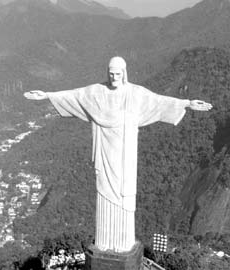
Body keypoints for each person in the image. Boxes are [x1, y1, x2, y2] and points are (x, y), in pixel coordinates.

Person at [24, 57, 212, 253]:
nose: (114, 77)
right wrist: (46, 95)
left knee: (124, 195)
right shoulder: (97, 92)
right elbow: (75, 95)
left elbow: (159, 101)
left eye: (118, 74)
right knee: (104, 193)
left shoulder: (135, 93)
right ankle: (104, 242)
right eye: (111, 74)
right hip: (105, 151)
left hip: (125, 154)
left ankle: (123, 244)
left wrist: (188, 103)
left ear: (124, 74)